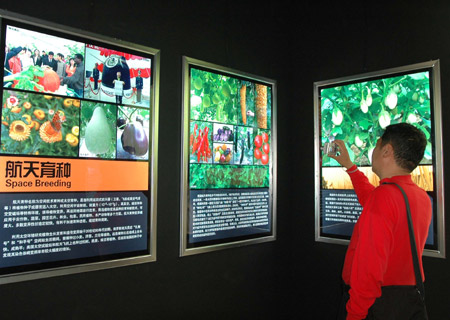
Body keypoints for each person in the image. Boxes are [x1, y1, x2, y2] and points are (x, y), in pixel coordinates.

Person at [331, 123, 431, 320]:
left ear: (386, 150)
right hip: (403, 301)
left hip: (375, 305)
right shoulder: (418, 196)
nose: (373, 151)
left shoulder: (385, 197)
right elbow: (372, 200)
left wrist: (355, 314)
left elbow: (369, 270)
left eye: (376, 146)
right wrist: (350, 167)